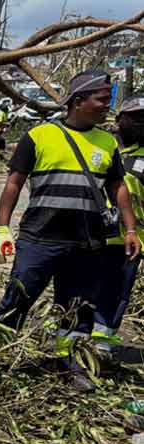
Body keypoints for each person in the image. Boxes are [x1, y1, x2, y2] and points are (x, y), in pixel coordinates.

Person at [0, 69, 140, 391]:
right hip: (39, 239)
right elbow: (14, 184)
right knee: (18, 297)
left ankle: (69, 363)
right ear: (78, 101)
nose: (106, 107)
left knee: (76, 307)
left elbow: (117, 188)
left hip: (86, 244)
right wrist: (2, 229)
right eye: (101, 100)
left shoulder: (107, 142)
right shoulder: (38, 136)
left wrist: (130, 229)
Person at [92, 95, 144, 356]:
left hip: (130, 242)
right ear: (119, 118)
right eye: (135, 117)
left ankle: (101, 345)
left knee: (116, 293)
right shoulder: (102, 147)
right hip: (90, 235)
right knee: (82, 287)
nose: (141, 123)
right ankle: (71, 338)